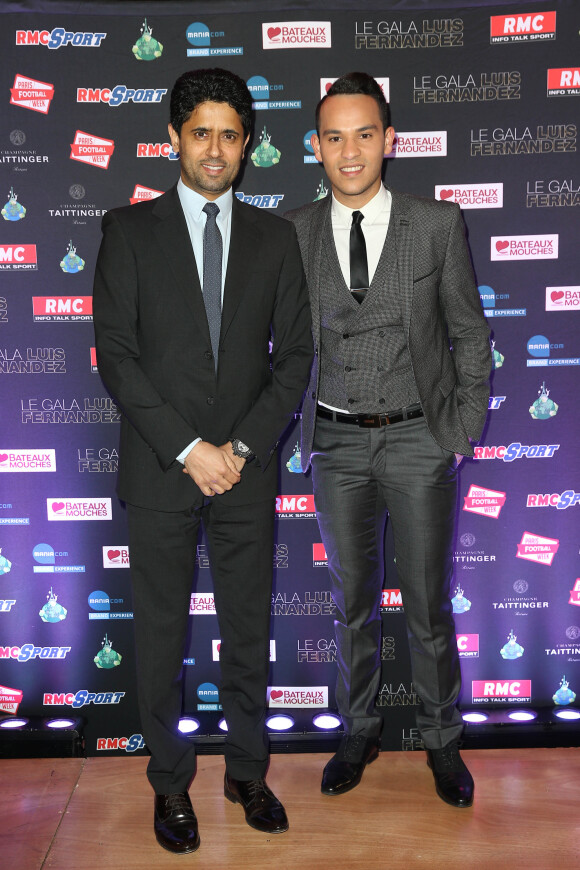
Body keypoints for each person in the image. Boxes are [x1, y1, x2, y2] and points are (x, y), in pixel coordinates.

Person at [93, 67, 313, 854]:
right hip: (161, 472)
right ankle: (169, 785)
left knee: (247, 631)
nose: (214, 150)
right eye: (200, 133)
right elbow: (116, 358)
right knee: (158, 637)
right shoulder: (129, 232)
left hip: (246, 475)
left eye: (229, 134)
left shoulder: (274, 236)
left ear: (247, 144)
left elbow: (293, 360)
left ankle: (247, 774)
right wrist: (190, 450)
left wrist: (240, 450)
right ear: (173, 139)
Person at [286, 72, 491, 809]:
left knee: (429, 605)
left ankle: (442, 740)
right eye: (334, 137)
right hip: (336, 446)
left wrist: (460, 432)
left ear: (389, 141)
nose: (350, 151)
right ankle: (358, 729)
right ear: (316, 145)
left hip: (417, 442)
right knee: (352, 603)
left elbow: (470, 333)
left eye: (364, 134)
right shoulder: (294, 229)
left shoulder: (435, 224)